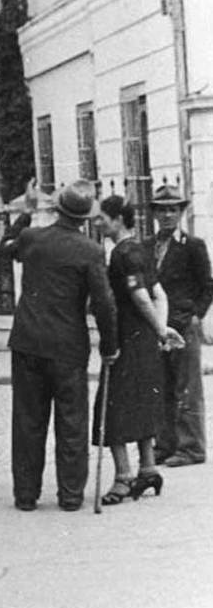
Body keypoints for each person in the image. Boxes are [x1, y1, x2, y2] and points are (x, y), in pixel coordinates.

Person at [0, 179, 118, 512]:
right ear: (84, 218)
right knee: (71, 422)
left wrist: (25, 213)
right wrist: (110, 346)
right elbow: (104, 303)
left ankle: (25, 495)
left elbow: (4, 246)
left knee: (27, 421)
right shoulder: (90, 251)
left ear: (58, 209)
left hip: (27, 342)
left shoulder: (32, 239)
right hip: (68, 347)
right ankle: (70, 495)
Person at [92, 195, 185, 504]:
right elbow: (160, 295)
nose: (97, 222)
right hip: (144, 338)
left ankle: (123, 478)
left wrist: (161, 330)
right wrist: (160, 330)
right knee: (144, 401)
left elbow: (142, 297)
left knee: (114, 406)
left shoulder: (121, 254)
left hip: (125, 338)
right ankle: (148, 469)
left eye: (102, 217)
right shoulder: (142, 250)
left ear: (119, 219)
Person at [148, 184, 213, 467]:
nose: (167, 215)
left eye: (173, 209)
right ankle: (165, 444)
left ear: (181, 212)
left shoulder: (192, 246)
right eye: (162, 210)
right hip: (158, 327)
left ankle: (192, 448)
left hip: (183, 325)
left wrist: (197, 315)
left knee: (188, 388)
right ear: (155, 214)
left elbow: (207, 286)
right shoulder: (149, 246)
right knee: (161, 385)